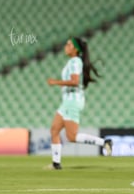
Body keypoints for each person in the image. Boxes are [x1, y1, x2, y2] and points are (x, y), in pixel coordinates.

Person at [46, 37, 112, 170]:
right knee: (54, 129)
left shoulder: (75, 62)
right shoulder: (72, 61)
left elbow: (75, 81)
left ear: (75, 49)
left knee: (71, 136)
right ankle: (56, 164)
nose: (66, 45)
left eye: (69, 44)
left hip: (73, 101)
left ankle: (105, 142)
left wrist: (56, 82)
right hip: (67, 101)